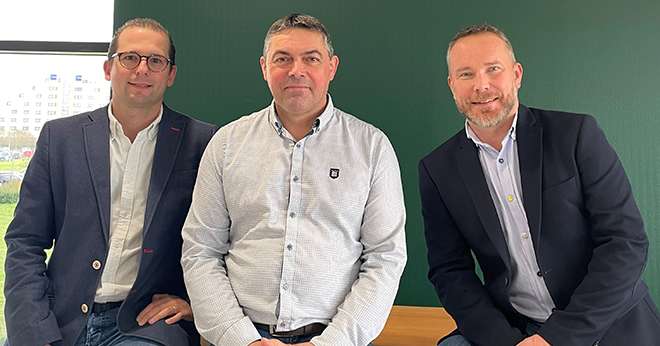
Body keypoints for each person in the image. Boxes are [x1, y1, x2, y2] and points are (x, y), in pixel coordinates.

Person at [419, 24, 660, 346]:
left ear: (516, 74)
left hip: (604, 322)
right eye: (466, 74)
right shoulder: (437, 169)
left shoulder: (576, 135)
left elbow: (625, 242)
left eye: (493, 69)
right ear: (451, 85)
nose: (481, 85)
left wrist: (557, 338)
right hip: (514, 329)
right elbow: (449, 271)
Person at [181, 13, 407, 346]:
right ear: (264, 67)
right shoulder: (227, 144)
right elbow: (201, 251)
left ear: (331, 67)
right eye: (282, 59)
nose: (296, 70)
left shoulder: (372, 147)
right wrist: (242, 339)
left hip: (335, 337)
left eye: (311, 59)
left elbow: (385, 257)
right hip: (241, 335)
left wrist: (331, 343)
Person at [4, 18, 217, 346]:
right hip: (60, 318)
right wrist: (31, 325)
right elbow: (25, 242)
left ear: (171, 74)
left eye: (156, 61)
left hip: (145, 325)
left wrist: (194, 306)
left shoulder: (203, 143)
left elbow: (222, 240)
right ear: (108, 68)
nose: (142, 70)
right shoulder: (59, 138)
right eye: (130, 58)